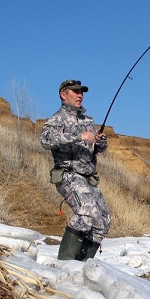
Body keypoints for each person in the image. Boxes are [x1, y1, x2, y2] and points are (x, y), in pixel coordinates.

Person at [40, 79, 111, 261]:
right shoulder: (57, 119)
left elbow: (96, 149)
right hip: (69, 175)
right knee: (85, 213)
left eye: (82, 92)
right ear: (64, 95)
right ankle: (65, 265)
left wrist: (100, 142)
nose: (80, 95)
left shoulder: (89, 120)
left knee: (103, 221)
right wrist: (79, 135)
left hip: (88, 178)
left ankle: (82, 266)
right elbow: (46, 140)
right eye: (76, 91)